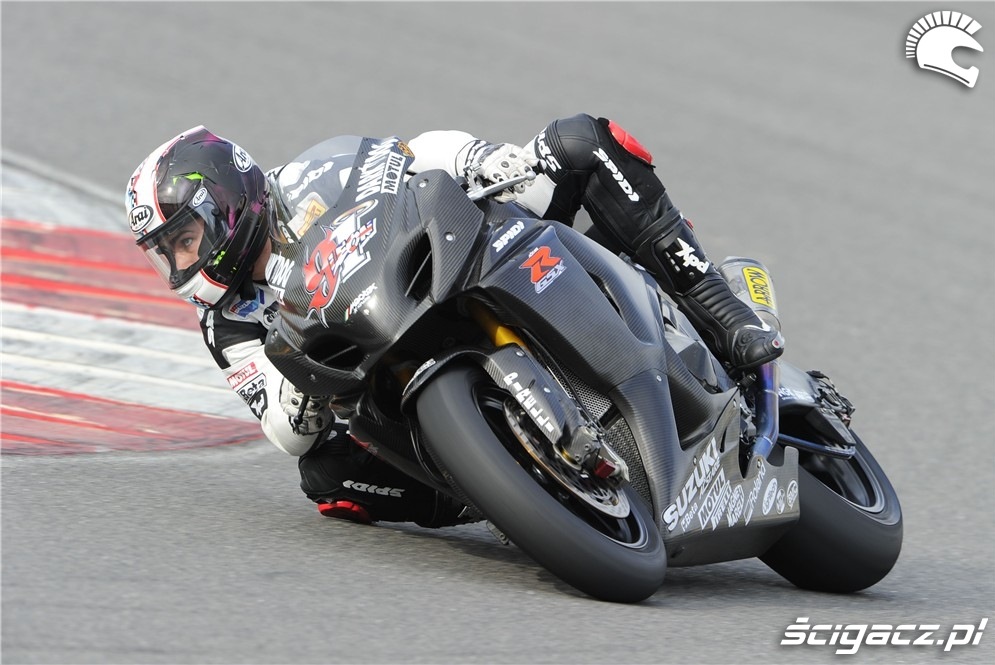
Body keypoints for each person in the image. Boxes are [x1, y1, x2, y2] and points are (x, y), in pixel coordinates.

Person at [125, 114, 783, 527]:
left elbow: (409, 154)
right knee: (325, 477)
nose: (179, 264)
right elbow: (282, 428)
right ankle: (499, 489)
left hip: (458, 260)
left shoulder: (308, 175)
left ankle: (718, 306)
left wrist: (480, 161)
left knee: (581, 142)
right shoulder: (226, 323)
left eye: (184, 239)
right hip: (381, 373)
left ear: (224, 203)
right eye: (165, 254)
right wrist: (296, 381)